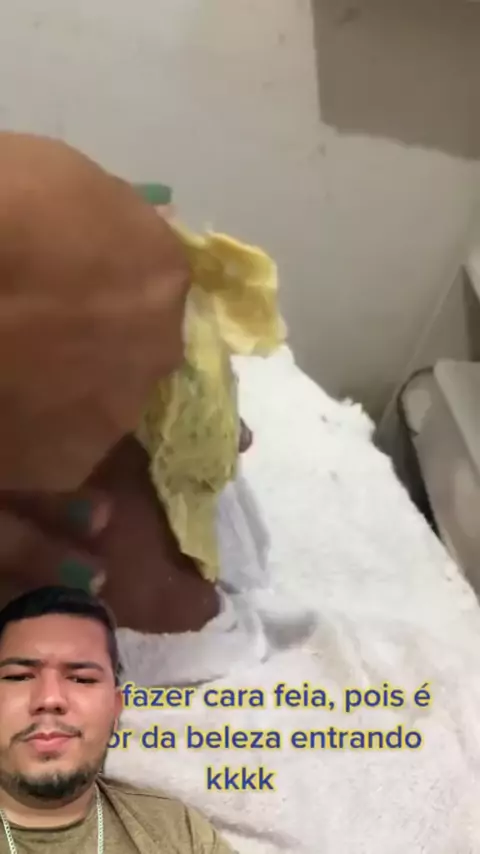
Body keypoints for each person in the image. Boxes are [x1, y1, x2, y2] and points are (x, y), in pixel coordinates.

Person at [0, 584, 233, 852]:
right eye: (18, 677)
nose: (50, 699)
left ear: (115, 709)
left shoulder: (179, 833)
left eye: (81, 679)